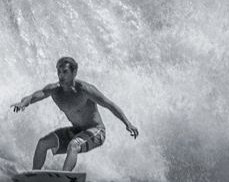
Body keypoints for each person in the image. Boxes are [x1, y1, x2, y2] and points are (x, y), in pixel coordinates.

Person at [9, 56, 138, 171]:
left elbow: (109, 105)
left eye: (65, 72)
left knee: (74, 145)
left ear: (74, 72)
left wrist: (128, 123)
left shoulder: (85, 90)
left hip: (96, 131)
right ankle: (34, 177)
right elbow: (32, 97)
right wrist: (22, 104)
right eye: (59, 72)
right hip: (76, 131)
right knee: (43, 143)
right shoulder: (55, 90)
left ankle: (63, 179)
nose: (61, 76)